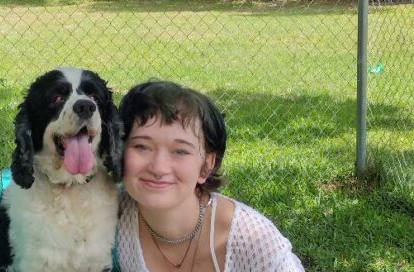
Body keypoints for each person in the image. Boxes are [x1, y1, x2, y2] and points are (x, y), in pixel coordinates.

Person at [115, 80, 305, 271]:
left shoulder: (254, 241)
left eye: (180, 151)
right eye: (141, 146)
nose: (158, 167)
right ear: (118, 150)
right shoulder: (102, 216)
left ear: (206, 166)